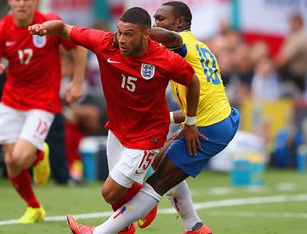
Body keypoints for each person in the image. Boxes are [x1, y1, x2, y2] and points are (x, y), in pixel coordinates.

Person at [65, 2, 240, 233]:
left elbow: (171, 39)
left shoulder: (180, 43)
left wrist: (140, 30)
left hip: (207, 126)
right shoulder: (200, 46)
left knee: (156, 183)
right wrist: (172, 119)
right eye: (154, 20)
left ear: (179, 23)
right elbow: (204, 99)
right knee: (160, 164)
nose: (157, 24)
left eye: (160, 19)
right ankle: (194, 225)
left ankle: (100, 232)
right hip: (219, 117)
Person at [29, 6, 202, 233]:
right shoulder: (105, 43)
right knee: (116, 197)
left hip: (147, 137)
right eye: (119, 31)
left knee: (109, 191)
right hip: (118, 129)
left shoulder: (164, 59)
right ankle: (130, 222)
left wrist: (190, 122)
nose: (121, 39)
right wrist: (45, 28)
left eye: (128, 34)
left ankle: (140, 208)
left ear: (146, 35)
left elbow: (193, 82)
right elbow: (63, 28)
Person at [0, 0, 87, 224]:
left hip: (43, 102)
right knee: (11, 162)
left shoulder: (50, 23)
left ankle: (39, 154)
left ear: (36, 2)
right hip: (11, 101)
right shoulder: (0, 29)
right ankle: (34, 207)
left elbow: (79, 44)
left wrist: (77, 82)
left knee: (20, 157)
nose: (21, 3)